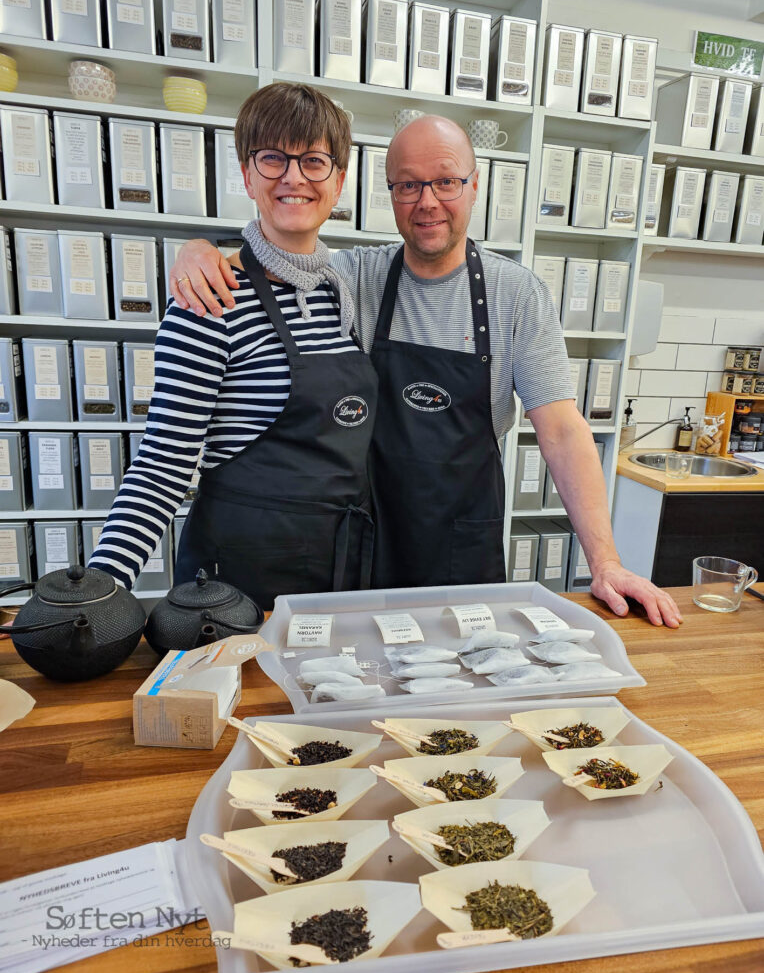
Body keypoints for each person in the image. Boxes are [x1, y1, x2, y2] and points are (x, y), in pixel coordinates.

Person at [169, 114, 682, 628]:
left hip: (462, 549)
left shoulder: (516, 294)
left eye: (446, 181)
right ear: (390, 192)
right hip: (366, 547)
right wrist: (199, 251)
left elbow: (564, 431)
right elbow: (279, 254)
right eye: (409, 185)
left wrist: (606, 563)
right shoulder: (354, 277)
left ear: (475, 184)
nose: (428, 201)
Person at [88, 83, 378, 610]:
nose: (293, 177)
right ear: (247, 174)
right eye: (273, 159)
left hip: (339, 571)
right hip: (237, 581)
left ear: (338, 182)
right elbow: (163, 462)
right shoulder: (209, 297)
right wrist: (102, 585)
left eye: (314, 161)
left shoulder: (349, 290)